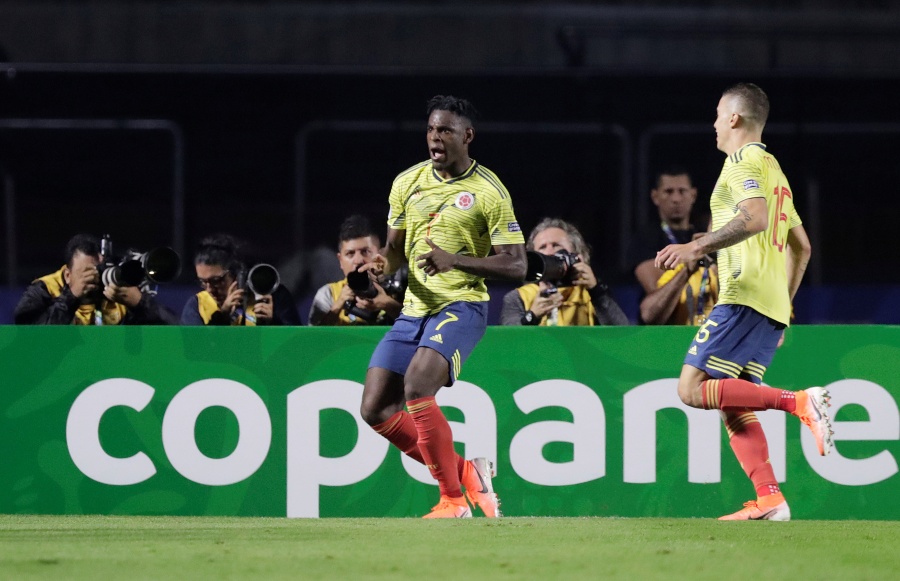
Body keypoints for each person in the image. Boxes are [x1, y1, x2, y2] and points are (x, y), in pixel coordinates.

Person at [654, 82, 831, 521]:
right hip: (770, 301)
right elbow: (802, 247)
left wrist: (697, 248)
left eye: (717, 113)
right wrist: (785, 309)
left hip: (742, 294)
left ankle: (799, 402)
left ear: (734, 118)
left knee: (691, 390)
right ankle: (769, 498)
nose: (714, 123)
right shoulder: (775, 169)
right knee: (733, 405)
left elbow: (754, 218)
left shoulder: (741, 160)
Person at [358, 95, 526, 518]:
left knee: (417, 387)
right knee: (375, 408)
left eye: (446, 130)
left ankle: (453, 501)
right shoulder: (407, 182)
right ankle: (469, 473)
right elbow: (395, 248)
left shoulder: (489, 191)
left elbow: (517, 264)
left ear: (467, 136)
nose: (436, 137)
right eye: (432, 129)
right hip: (414, 308)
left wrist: (457, 260)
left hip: (462, 305)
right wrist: (381, 264)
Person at [14, 233, 175, 325]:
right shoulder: (46, 289)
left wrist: (139, 303)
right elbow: (30, 340)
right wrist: (71, 296)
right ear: (68, 275)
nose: (95, 278)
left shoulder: (116, 291)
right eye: (86, 273)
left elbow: (175, 332)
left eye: (99, 269)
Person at [499, 217, 628, 326]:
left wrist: (597, 291)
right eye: (542, 247)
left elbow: (622, 335)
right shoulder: (519, 297)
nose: (549, 252)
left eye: (556, 246)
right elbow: (508, 344)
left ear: (577, 254)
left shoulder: (591, 294)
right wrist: (533, 315)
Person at [632, 168, 719, 325]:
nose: (676, 198)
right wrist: (689, 265)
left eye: (682, 191)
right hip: (666, 331)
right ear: (655, 196)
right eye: (669, 191)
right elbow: (657, 292)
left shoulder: (703, 235)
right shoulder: (646, 238)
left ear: (693, 195)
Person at [181, 234, 302, 325]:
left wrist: (273, 323)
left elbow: (296, 348)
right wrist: (222, 316)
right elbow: (195, 352)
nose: (209, 289)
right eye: (203, 281)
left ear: (237, 273)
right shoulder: (197, 305)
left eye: (217, 281)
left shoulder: (273, 296)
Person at [308, 215, 403, 326]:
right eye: (350, 253)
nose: (358, 261)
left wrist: (387, 304)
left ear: (380, 255)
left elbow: (422, 328)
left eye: (366, 252)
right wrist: (338, 304)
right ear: (340, 260)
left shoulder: (398, 289)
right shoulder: (329, 294)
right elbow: (313, 339)